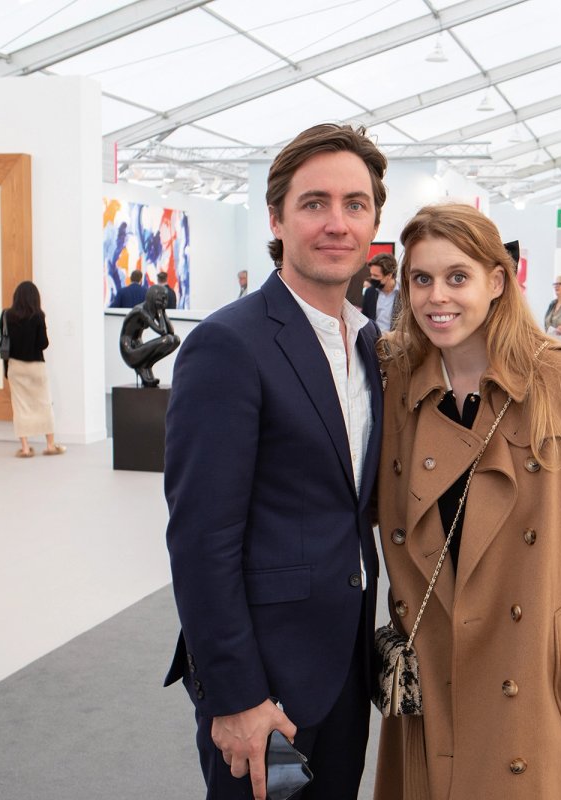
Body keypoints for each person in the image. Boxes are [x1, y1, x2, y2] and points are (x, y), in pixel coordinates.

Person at [373, 204, 561, 799]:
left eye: (457, 277)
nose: (435, 297)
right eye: (421, 278)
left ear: (496, 282)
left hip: (532, 665)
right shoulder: (393, 380)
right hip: (434, 655)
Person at [164, 123, 388, 800]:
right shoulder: (227, 345)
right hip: (262, 680)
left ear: (375, 219)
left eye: (355, 204)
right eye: (314, 203)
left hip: (344, 667)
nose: (336, 223)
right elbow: (201, 539)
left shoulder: (373, 345)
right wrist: (235, 696)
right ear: (277, 217)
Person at [2, 281, 65, 458]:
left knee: (20, 406)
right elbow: (43, 343)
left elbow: (4, 343)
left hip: (15, 366)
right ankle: (50, 445)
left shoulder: (6, 316)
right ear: (34, 298)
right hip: (36, 366)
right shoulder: (38, 316)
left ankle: (25, 448)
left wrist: (6, 370)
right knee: (44, 404)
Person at [119, 284, 180, 387]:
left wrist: (163, 312)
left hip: (137, 345)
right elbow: (163, 332)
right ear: (154, 297)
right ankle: (143, 367)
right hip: (129, 350)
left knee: (175, 340)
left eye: (166, 299)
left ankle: (145, 366)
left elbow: (171, 331)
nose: (165, 302)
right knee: (167, 340)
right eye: (162, 298)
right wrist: (160, 311)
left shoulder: (152, 310)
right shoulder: (140, 311)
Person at [362, 252, 402, 332]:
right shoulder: (369, 293)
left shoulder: (405, 295)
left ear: (389, 276)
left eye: (376, 276)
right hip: (374, 341)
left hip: (396, 342)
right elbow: (364, 320)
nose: (372, 278)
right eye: (371, 274)